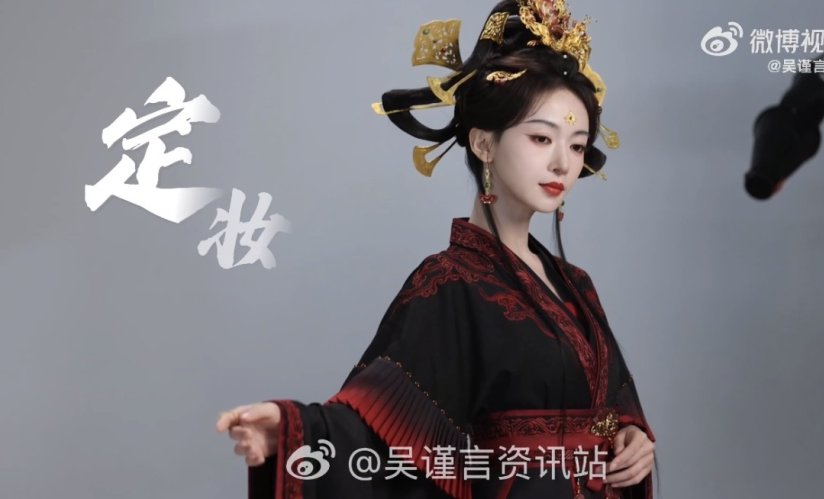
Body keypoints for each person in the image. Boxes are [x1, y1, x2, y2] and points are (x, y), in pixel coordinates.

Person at [216, 1, 656, 497]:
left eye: (576, 145)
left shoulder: (575, 284)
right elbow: (377, 424)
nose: (562, 163)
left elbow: (610, 407)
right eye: (540, 138)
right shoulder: (450, 284)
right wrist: (294, 432)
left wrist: (631, 434)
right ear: (484, 144)